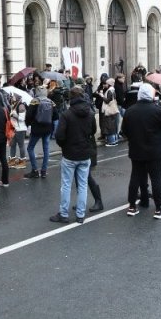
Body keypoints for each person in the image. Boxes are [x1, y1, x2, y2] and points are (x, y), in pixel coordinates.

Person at [121, 83, 161, 219]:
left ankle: (132, 206)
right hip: (155, 150)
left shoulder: (130, 111)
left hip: (137, 148)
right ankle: (159, 208)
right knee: (156, 178)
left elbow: (124, 131)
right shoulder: (158, 109)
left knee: (135, 177)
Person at [49, 87, 95, 224]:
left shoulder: (67, 114)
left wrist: (64, 146)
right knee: (82, 185)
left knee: (66, 185)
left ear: (71, 98)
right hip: (85, 152)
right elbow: (93, 130)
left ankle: (63, 213)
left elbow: (59, 135)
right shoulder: (90, 113)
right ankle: (80, 214)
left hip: (70, 153)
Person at [25, 86, 57, 179]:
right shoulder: (51, 102)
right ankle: (44, 171)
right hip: (47, 129)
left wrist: (29, 125)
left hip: (36, 129)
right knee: (46, 149)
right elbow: (56, 116)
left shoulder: (35, 101)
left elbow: (29, 115)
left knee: (30, 148)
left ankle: (34, 170)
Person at [8, 94, 28, 168]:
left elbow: (22, 119)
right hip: (14, 129)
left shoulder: (21, 106)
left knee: (21, 145)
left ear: (17, 97)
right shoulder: (15, 105)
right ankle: (12, 160)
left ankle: (22, 162)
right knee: (12, 145)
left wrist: (14, 116)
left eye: (14, 96)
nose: (12, 97)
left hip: (20, 129)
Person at [100, 78, 120, 146]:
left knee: (109, 126)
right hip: (113, 109)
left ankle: (111, 142)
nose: (105, 85)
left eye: (106, 84)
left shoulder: (109, 91)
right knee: (113, 126)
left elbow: (107, 101)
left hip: (109, 110)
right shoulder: (113, 90)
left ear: (109, 84)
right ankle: (115, 140)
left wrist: (102, 96)